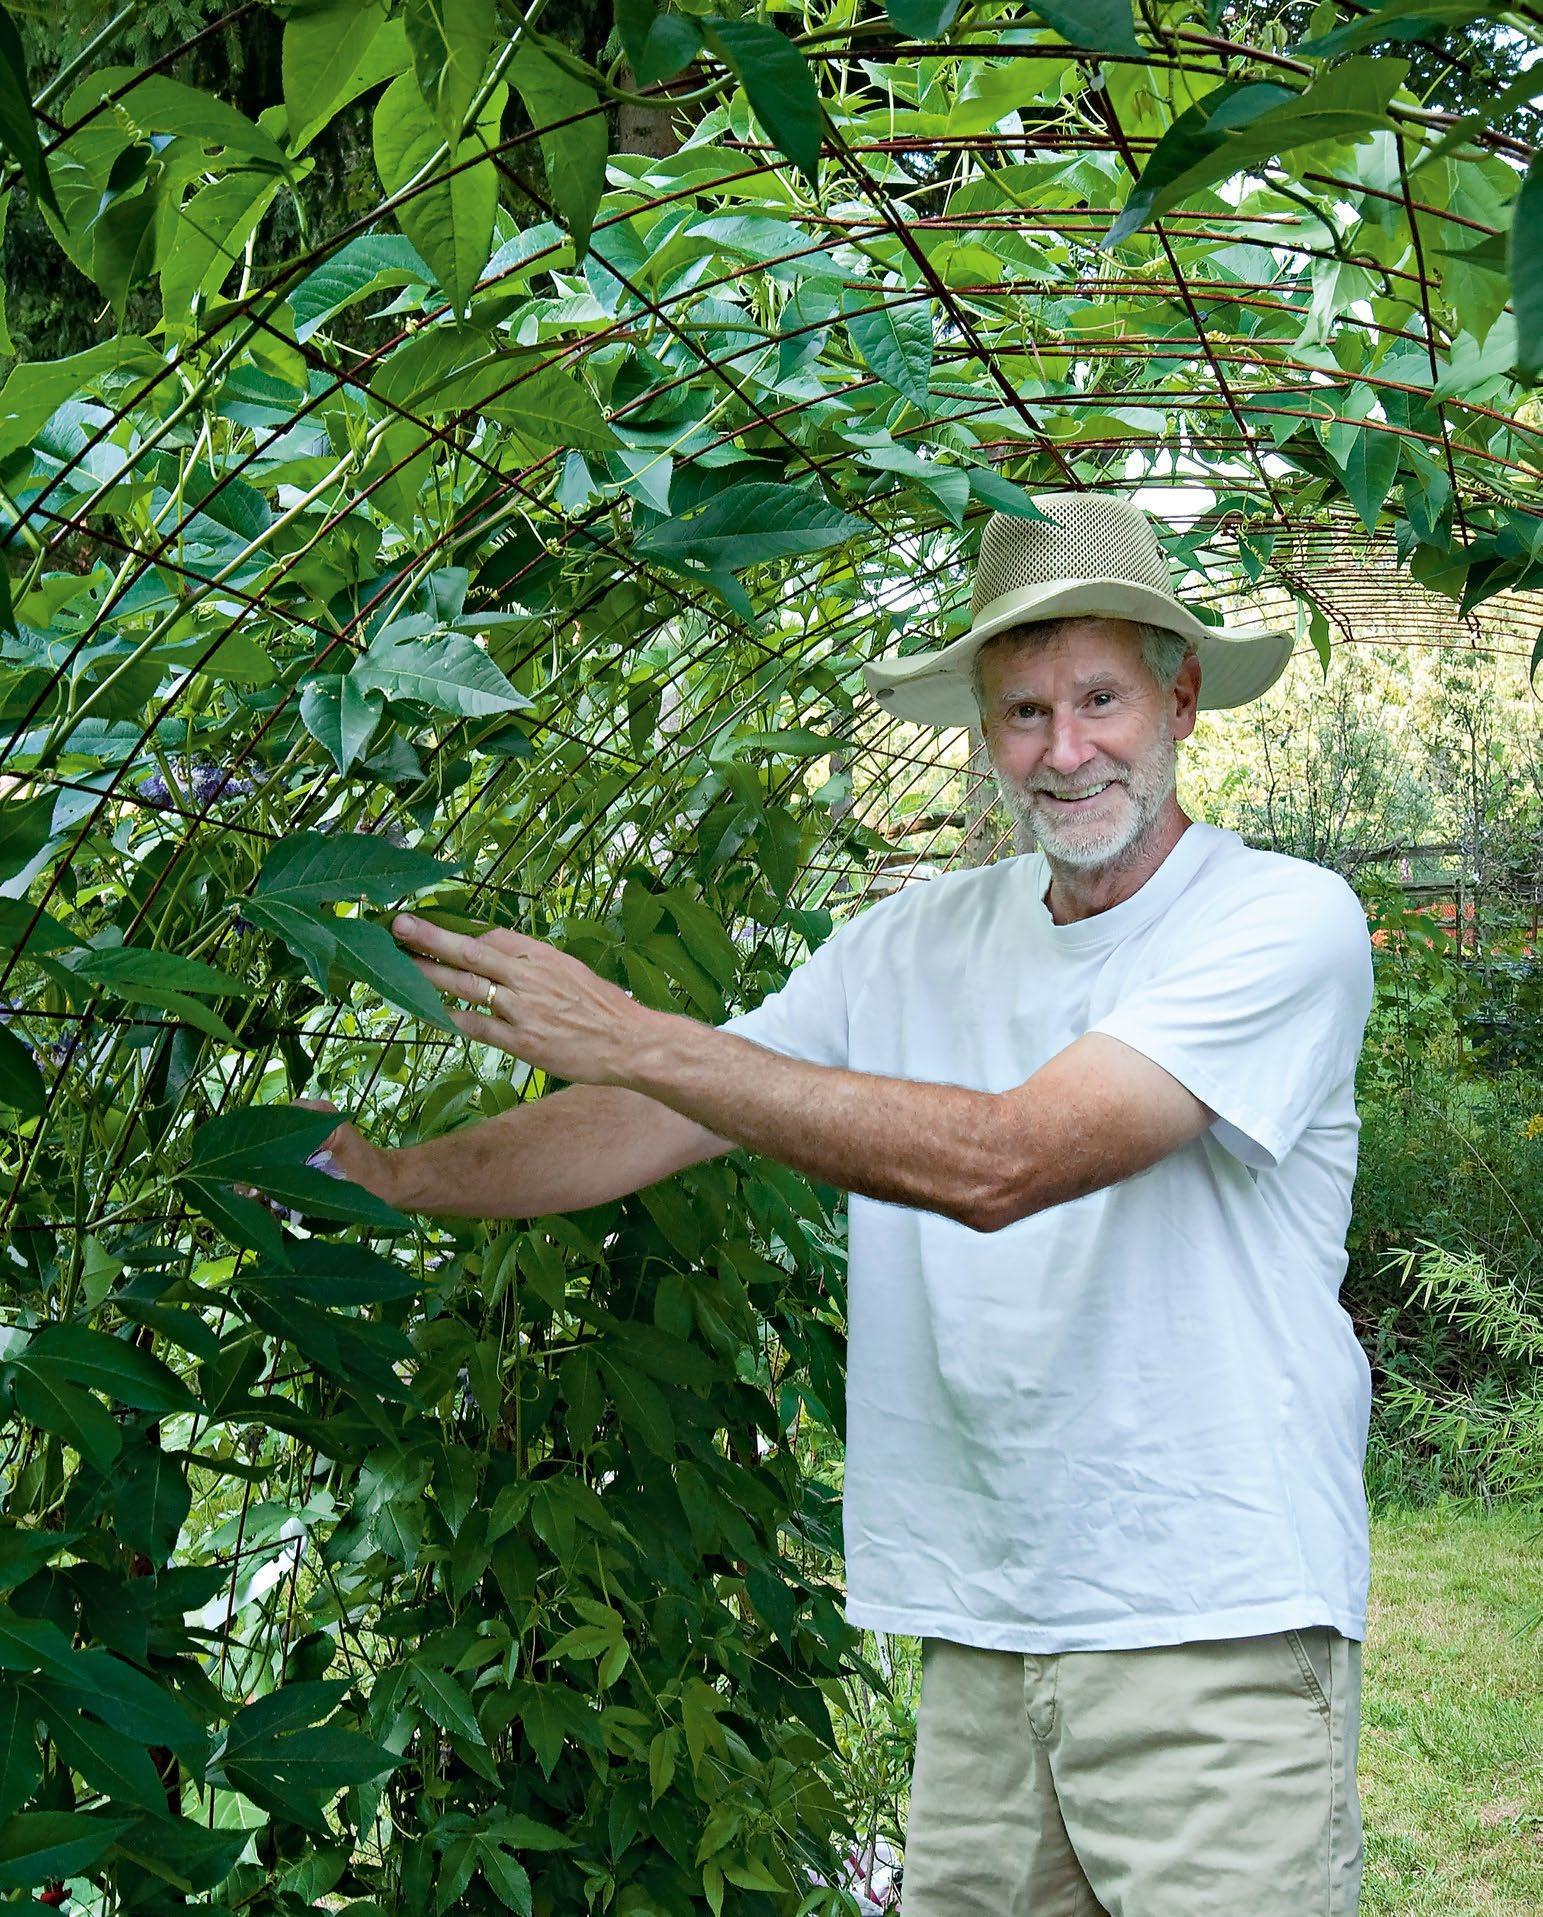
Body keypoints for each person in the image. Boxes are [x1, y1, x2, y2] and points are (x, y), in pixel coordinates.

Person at [287, 493, 1374, 1916]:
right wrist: (401, 1175)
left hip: (1214, 1621)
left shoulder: (1282, 921)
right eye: (1025, 710)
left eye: (1100, 699)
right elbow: (661, 1112)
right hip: (985, 1627)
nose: (1066, 750)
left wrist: (638, 1034)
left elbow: (1006, 1161)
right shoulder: (911, 940)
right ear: (985, 732)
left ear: (1179, 700)